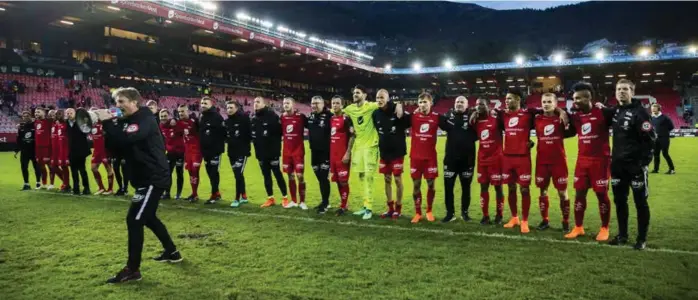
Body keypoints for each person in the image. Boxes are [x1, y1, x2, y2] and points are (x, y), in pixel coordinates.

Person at [100, 87, 181, 284]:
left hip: (153, 177)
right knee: (148, 217)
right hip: (143, 177)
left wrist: (109, 123)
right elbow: (115, 146)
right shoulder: (126, 121)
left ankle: (132, 269)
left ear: (135, 102)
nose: (118, 106)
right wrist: (109, 127)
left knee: (134, 220)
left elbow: (129, 138)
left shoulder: (144, 118)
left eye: (122, 102)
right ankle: (172, 252)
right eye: (116, 102)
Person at [608, 79, 657, 250]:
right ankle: (622, 235)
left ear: (632, 92)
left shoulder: (641, 113)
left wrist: (643, 163)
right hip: (617, 167)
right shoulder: (615, 111)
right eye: (619, 89)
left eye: (625, 89)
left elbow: (651, 139)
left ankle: (641, 239)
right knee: (620, 202)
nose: (621, 92)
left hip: (635, 167)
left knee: (640, 203)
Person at [564, 82, 614, 242]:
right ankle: (578, 227)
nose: (575, 101)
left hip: (601, 161)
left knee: (601, 194)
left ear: (588, 98)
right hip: (582, 161)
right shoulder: (576, 116)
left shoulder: (604, 113)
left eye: (578, 98)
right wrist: (561, 112)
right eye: (574, 98)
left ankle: (604, 228)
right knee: (579, 193)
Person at [533, 93, 574, 231]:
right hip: (542, 162)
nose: (546, 104)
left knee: (562, 192)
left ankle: (565, 221)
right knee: (542, 191)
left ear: (556, 104)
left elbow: (573, 126)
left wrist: (562, 111)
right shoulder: (537, 118)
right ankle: (545, 220)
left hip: (558, 162)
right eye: (544, 101)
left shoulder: (561, 118)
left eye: (549, 101)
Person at [344, 85, 381, 220]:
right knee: (360, 176)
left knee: (368, 177)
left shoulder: (371, 106)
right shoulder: (350, 109)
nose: (355, 95)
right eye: (354, 93)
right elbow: (338, 113)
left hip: (371, 146)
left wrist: (398, 105)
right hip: (358, 146)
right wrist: (349, 125)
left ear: (364, 95)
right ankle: (365, 206)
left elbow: (384, 103)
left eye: (358, 93)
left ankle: (369, 208)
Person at [439, 96, 477, 222]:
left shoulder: (473, 117)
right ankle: (450, 213)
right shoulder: (448, 116)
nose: (459, 104)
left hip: (468, 159)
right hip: (450, 159)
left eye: (462, 102)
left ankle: (465, 213)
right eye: (457, 102)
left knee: (466, 187)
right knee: (448, 187)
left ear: (467, 105)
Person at [372, 89, 409, 219]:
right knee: (387, 179)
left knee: (398, 179)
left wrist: (400, 107)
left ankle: (398, 208)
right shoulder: (375, 113)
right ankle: (390, 208)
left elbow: (409, 120)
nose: (379, 100)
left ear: (388, 99)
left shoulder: (396, 109)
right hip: (384, 152)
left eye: (382, 97)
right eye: (377, 98)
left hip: (397, 152)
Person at [403, 93, 439, 223]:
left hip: (430, 158)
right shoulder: (413, 117)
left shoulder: (437, 117)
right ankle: (417, 213)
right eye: (420, 102)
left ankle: (429, 210)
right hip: (416, 157)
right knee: (416, 185)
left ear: (431, 103)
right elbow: (399, 119)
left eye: (424, 102)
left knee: (431, 184)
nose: (422, 104)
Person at [473, 98, 505, 225]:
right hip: (482, 160)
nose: (478, 107)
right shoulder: (475, 121)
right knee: (483, 187)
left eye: (481, 104)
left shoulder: (496, 120)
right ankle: (485, 216)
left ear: (488, 106)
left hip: (496, 159)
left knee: (498, 188)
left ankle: (499, 215)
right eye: (476, 105)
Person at [252, 97, 288, 207]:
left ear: (264, 104)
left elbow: (279, 134)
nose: (255, 104)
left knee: (278, 175)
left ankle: (285, 197)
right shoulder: (254, 118)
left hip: (273, 153)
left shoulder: (272, 116)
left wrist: (275, 151)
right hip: (261, 154)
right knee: (266, 176)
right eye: (254, 102)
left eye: (258, 102)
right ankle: (270, 198)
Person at [306, 95, 334, 213]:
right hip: (314, 152)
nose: (314, 105)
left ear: (323, 104)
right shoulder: (310, 116)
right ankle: (324, 201)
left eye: (317, 103)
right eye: (313, 103)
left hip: (325, 153)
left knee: (323, 178)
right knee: (320, 178)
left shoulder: (330, 116)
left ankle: (325, 203)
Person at [280, 97, 308, 209]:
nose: (285, 105)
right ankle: (293, 201)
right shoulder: (282, 117)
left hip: (298, 151)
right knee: (290, 176)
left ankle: (302, 202)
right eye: (284, 103)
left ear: (293, 104)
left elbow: (312, 126)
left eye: (288, 103)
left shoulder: (301, 117)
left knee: (300, 176)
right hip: (286, 152)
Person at [328, 96, 354, 216]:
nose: (335, 105)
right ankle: (344, 203)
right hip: (333, 155)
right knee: (338, 181)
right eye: (333, 103)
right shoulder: (331, 118)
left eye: (337, 103)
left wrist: (348, 152)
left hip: (343, 155)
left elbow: (353, 136)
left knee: (343, 181)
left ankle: (343, 206)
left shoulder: (346, 118)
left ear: (342, 105)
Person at [199, 96, 226, 204]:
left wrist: (217, 147)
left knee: (214, 173)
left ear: (211, 104)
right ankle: (216, 193)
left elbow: (223, 134)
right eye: (202, 103)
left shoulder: (217, 117)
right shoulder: (201, 116)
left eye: (205, 103)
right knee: (210, 172)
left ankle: (214, 195)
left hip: (215, 150)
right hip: (205, 151)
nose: (203, 105)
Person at [224, 100, 251, 207]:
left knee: (238, 175)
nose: (229, 110)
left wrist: (246, 150)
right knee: (238, 175)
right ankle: (244, 196)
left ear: (237, 108)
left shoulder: (244, 119)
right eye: (227, 108)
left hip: (242, 152)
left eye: (231, 108)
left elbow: (248, 135)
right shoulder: (227, 122)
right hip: (231, 152)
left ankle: (237, 198)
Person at [177, 105, 202, 202]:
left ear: (187, 111)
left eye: (182, 111)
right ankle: (193, 193)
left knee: (195, 171)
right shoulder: (179, 123)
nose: (181, 113)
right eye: (179, 112)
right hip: (187, 151)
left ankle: (195, 195)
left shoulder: (195, 121)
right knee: (190, 172)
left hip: (196, 150)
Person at [159, 109, 184, 200]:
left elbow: (183, 125)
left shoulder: (174, 123)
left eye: (165, 116)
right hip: (169, 154)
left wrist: (176, 119)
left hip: (180, 153)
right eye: (161, 116)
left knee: (179, 173)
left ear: (168, 116)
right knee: (168, 173)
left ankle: (178, 194)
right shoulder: (160, 126)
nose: (163, 118)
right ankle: (167, 193)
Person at [89, 107, 115, 195]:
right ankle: (101, 188)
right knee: (93, 168)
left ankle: (110, 189)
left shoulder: (104, 124)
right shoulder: (90, 125)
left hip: (105, 150)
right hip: (96, 151)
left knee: (108, 169)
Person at [66, 108, 91, 195]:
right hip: (71, 151)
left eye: (71, 113)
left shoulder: (81, 123)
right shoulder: (66, 123)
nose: (69, 114)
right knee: (73, 171)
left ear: (75, 114)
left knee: (82, 170)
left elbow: (88, 130)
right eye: (67, 113)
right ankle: (76, 188)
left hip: (81, 150)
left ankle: (86, 188)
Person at [15, 110, 41, 190]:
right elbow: (19, 139)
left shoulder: (35, 125)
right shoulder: (21, 127)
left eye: (27, 116)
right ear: (22, 117)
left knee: (36, 167)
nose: (26, 117)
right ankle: (26, 184)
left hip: (34, 150)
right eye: (24, 116)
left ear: (30, 116)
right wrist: (16, 150)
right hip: (24, 151)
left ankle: (38, 183)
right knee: (24, 167)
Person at [650, 103, 675, 174]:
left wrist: (663, 133)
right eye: (652, 108)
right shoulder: (651, 118)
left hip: (664, 138)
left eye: (654, 108)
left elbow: (671, 127)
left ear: (658, 109)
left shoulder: (665, 117)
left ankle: (672, 169)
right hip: (655, 139)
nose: (653, 109)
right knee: (656, 154)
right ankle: (656, 169)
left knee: (665, 153)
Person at [53, 109, 72, 193]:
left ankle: (67, 185)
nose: (58, 115)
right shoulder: (57, 124)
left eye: (60, 114)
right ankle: (66, 183)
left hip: (66, 149)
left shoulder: (67, 124)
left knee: (65, 166)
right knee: (56, 166)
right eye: (57, 114)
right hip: (59, 149)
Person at [33, 108, 51, 189]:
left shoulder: (48, 121)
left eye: (38, 112)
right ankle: (44, 183)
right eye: (35, 112)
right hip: (38, 148)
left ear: (43, 113)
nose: (36, 113)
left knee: (51, 166)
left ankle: (53, 183)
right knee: (41, 166)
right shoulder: (36, 122)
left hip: (47, 148)